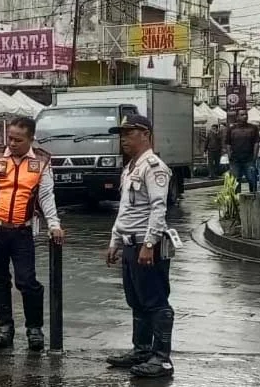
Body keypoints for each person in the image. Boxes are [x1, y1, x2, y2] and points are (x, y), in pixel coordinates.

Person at [0, 116, 64, 352]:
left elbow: (46, 195)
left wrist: (54, 224)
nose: (11, 143)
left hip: (22, 231)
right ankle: (5, 327)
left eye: (18, 140)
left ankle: (34, 329)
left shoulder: (41, 161)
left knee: (27, 281)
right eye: (9, 138)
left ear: (31, 139)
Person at [105, 114, 175, 380]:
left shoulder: (154, 166)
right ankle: (142, 350)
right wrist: (115, 241)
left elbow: (159, 209)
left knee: (155, 301)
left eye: (129, 133)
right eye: (121, 134)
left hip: (149, 246)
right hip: (130, 244)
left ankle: (162, 358)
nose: (123, 139)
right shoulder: (131, 167)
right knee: (136, 300)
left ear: (145, 134)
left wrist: (149, 244)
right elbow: (125, 211)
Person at [225, 112, 260, 192]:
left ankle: (253, 199)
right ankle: (237, 200)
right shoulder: (232, 129)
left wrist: (255, 156)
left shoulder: (253, 128)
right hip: (235, 160)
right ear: (237, 117)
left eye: (246, 114)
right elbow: (228, 143)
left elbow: (256, 143)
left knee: (252, 180)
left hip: (249, 159)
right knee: (235, 183)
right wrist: (229, 156)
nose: (245, 116)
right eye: (242, 115)